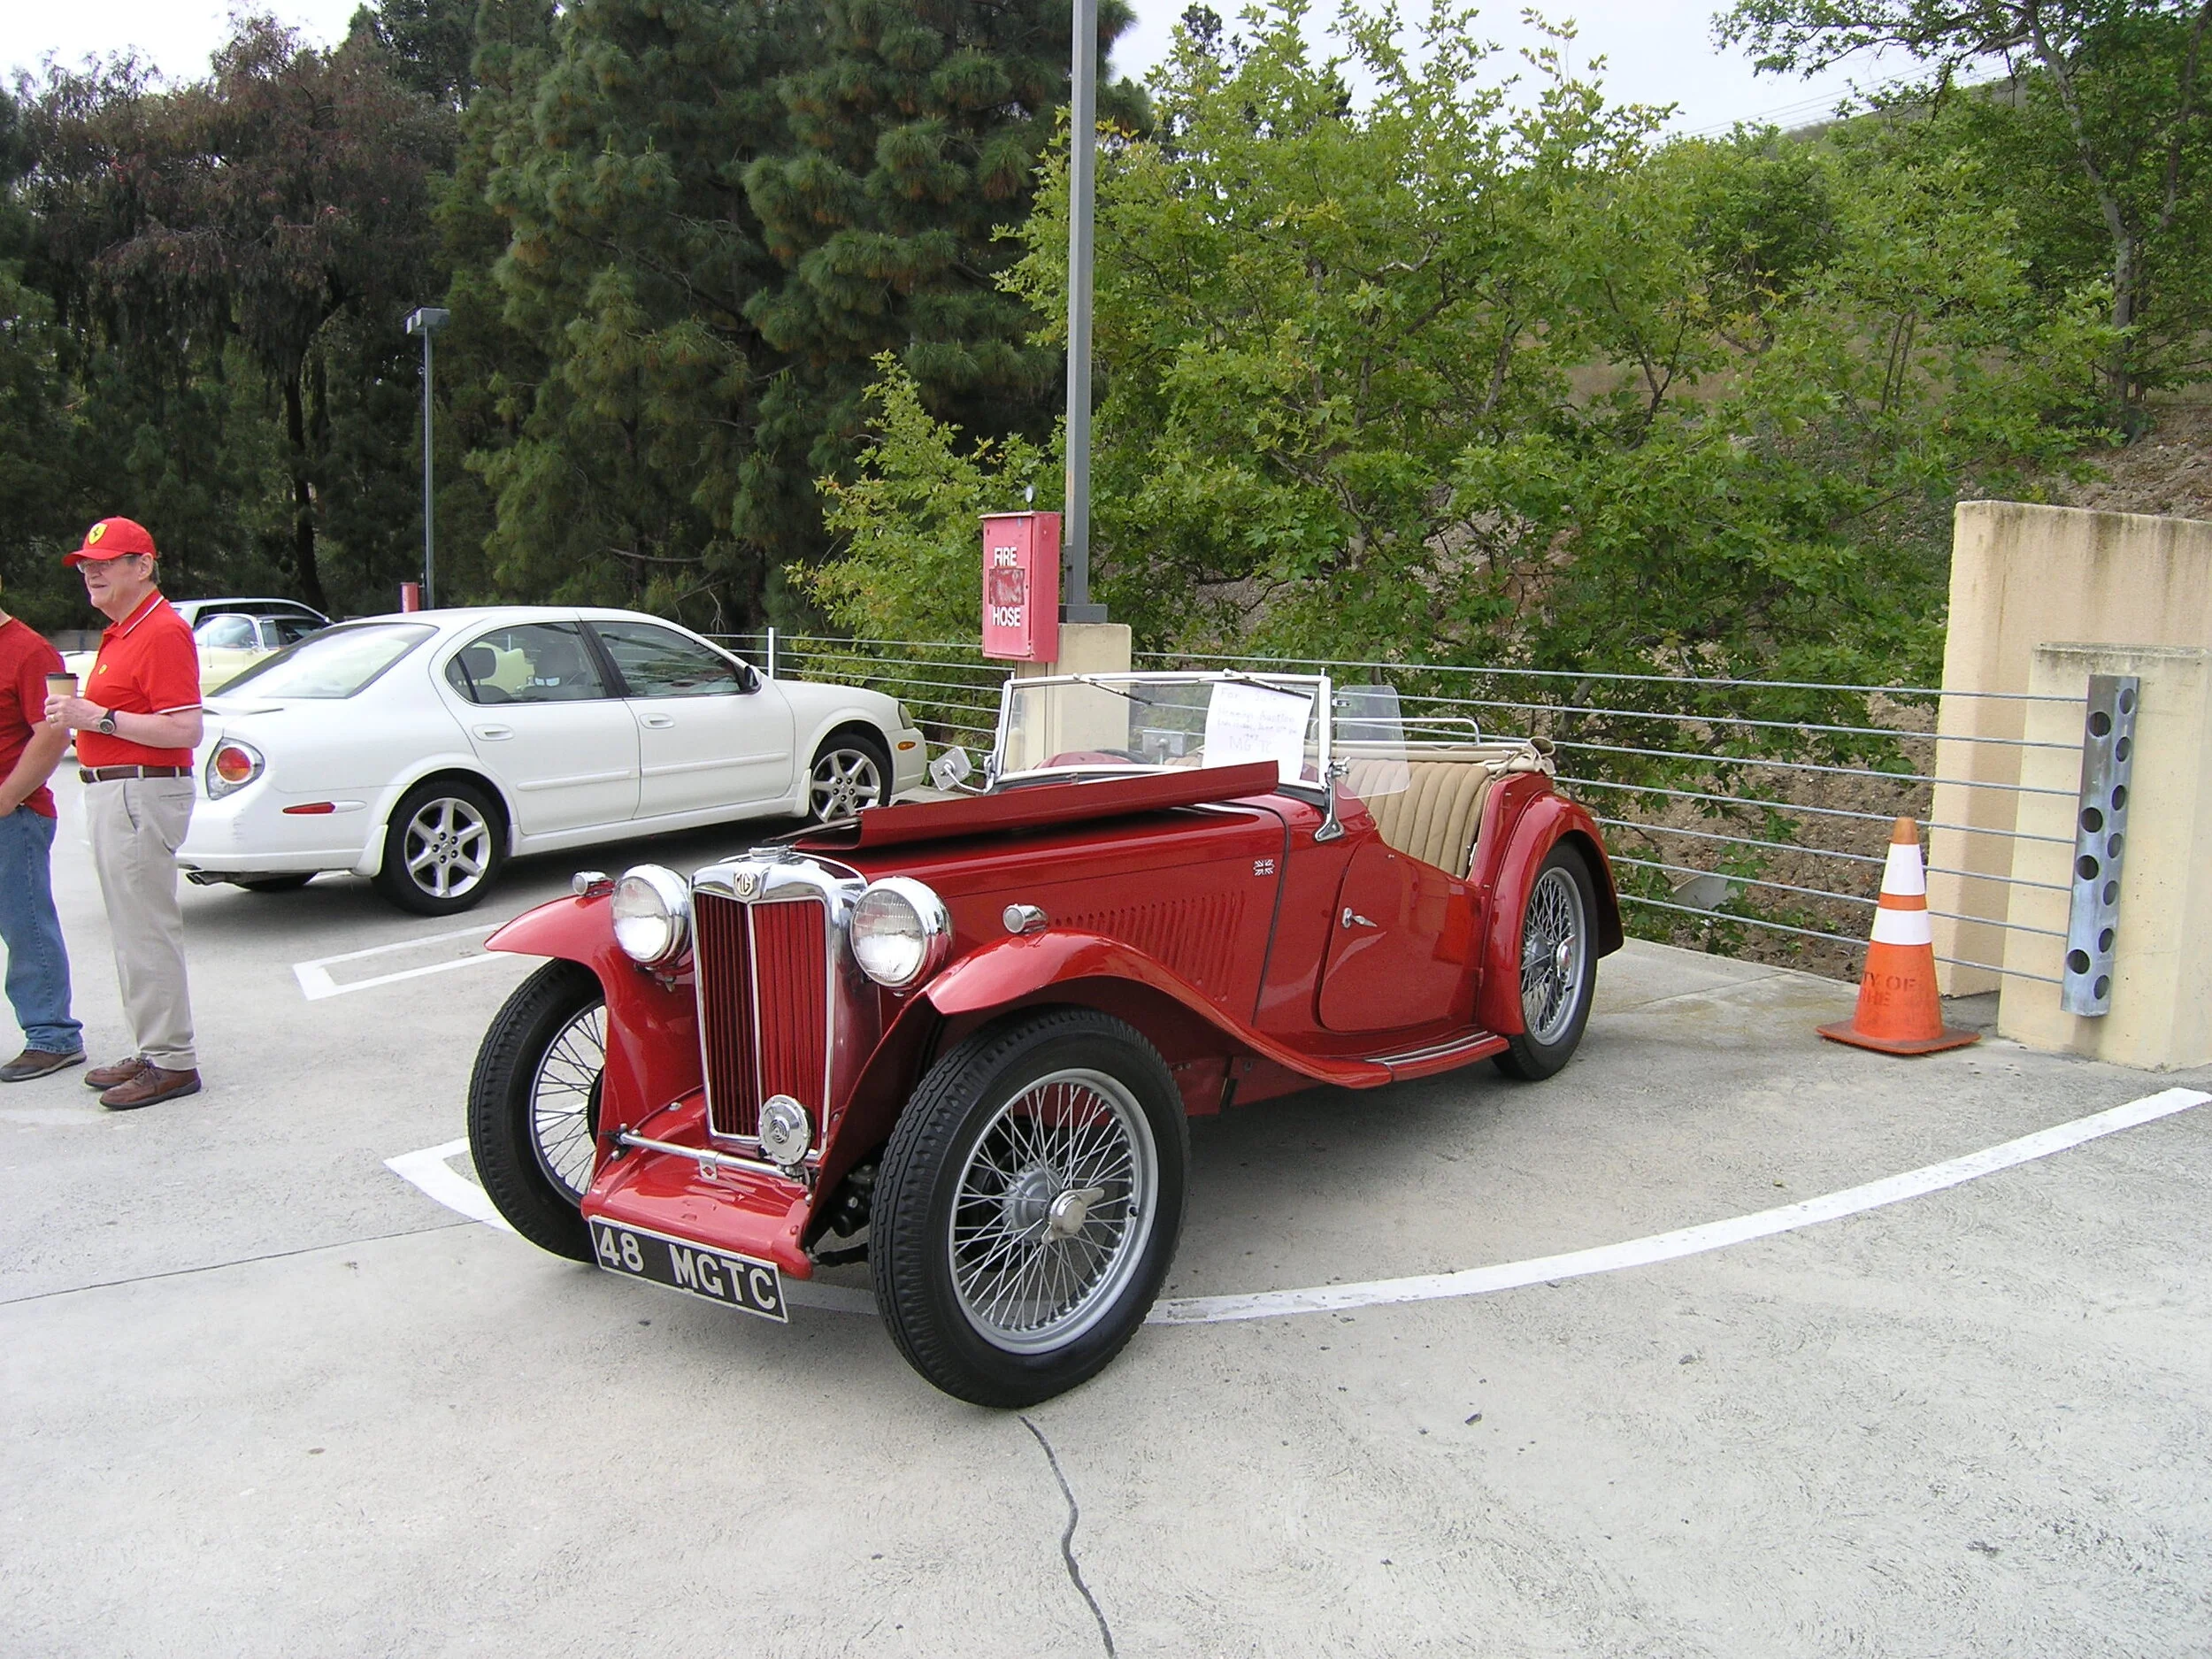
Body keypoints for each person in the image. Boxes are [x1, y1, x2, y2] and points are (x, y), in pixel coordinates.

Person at [44, 517, 204, 1110]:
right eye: (87, 564)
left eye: (108, 561)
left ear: (144, 565)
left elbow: (185, 726)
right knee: (131, 930)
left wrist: (97, 719)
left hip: (140, 793)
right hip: (118, 790)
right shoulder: (122, 632)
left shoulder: (159, 631)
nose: (92, 571)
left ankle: (172, 1059)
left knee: (145, 930)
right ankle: (156, 1047)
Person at [0, 576, 85, 1081]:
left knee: (26, 925)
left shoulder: (30, 651)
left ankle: (53, 1035)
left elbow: (54, 734)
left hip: (17, 815)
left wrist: (8, 797)